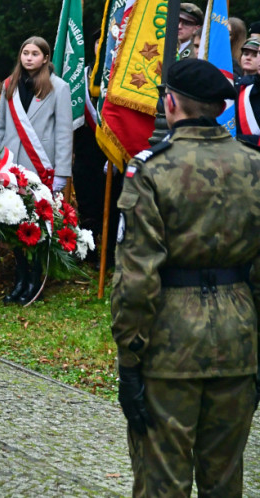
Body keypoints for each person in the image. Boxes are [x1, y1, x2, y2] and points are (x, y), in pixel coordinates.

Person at [111, 57, 260, 498]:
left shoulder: (153, 169)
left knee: (163, 483)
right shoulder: (254, 166)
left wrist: (129, 357)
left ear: (171, 103)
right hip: (240, 340)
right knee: (224, 481)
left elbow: (138, 278)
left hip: (169, 346)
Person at [0, 36, 73, 304]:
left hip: (41, 166)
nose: (29, 58)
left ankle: (34, 282)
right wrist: (0, 159)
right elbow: (1, 127)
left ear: (45, 58)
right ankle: (19, 278)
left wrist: (62, 172)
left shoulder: (59, 88)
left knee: (36, 224)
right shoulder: (9, 84)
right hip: (12, 165)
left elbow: (64, 132)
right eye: (25, 52)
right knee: (14, 222)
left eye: (35, 53)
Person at [235, 36, 260, 146]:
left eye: (255, 55)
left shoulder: (255, 87)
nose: (248, 58)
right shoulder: (234, 82)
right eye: (245, 54)